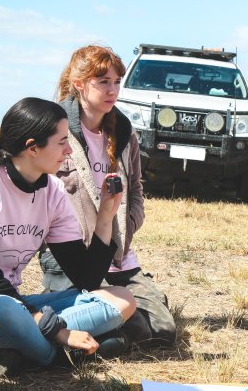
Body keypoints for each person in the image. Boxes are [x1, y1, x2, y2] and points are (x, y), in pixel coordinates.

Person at [0, 97, 136, 375]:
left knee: (123, 299)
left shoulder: (53, 190)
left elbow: (85, 279)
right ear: (32, 147)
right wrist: (56, 330)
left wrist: (104, 218)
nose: (69, 151)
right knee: (6, 310)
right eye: (62, 142)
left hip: (15, 308)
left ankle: (6, 350)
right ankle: (55, 359)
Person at [39, 45, 177, 348]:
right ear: (79, 83)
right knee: (128, 333)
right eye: (103, 82)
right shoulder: (54, 131)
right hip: (71, 258)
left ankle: (133, 306)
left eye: (117, 82)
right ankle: (77, 321)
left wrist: (129, 221)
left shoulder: (125, 132)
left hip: (117, 257)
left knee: (164, 332)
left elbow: (137, 190)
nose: (112, 90)